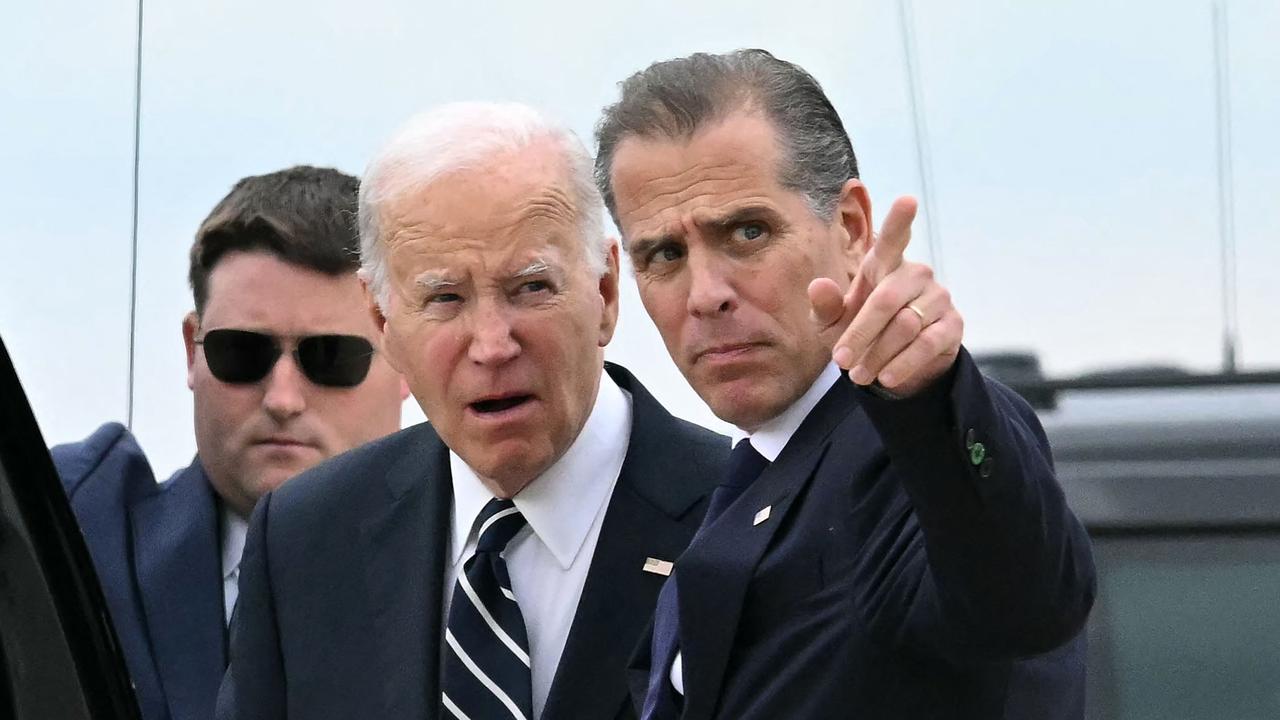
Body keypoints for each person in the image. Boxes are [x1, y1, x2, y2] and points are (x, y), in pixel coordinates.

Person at [593, 49, 1096, 719]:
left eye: (747, 232)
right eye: (665, 255)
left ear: (852, 228)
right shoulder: (739, 485)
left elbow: (1025, 604)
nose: (706, 294)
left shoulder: (907, 449)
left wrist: (926, 398)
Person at [216, 103, 727, 720]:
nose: (491, 345)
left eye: (531, 288)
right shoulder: (305, 538)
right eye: (444, 298)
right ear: (383, 323)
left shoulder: (740, 515)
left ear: (605, 292)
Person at [50, 165, 408, 720]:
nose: (283, 397)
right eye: (242, 352)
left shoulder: (480, 576)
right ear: (193, 349)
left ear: (406, 354)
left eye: (331, 357)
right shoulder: (75, 536)